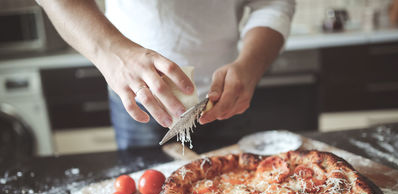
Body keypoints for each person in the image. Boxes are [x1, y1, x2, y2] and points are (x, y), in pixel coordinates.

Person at [38, 0, 295, 149]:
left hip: (227, 95)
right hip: (139, 97)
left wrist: (250, 64)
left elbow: (273, 3)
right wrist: (112, 52)